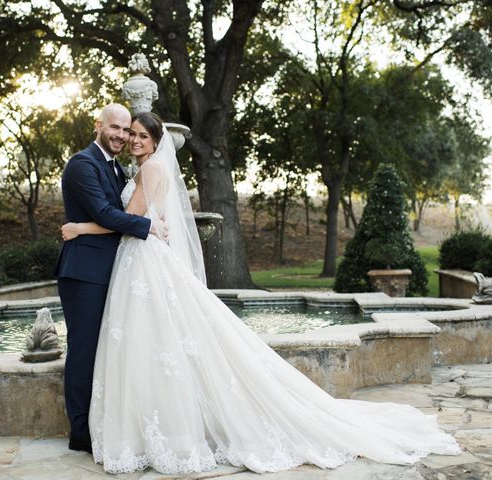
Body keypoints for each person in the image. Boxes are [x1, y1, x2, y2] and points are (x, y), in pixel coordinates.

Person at [60, 112, 460, 474]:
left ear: (155, 139)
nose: (132, 139)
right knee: (147, 340)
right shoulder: (120, 167)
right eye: (127, 132)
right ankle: (133, 424)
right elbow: (128, 217)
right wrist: (121, 225)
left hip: (141, 260)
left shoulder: (149, 172)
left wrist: (81, 228)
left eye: (140, 134)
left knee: (150, 340)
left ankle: (149, 428)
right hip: (135, 261)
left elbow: (123, 218)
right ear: (102, 126)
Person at [54, 104, 164, 454]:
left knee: (111, 348)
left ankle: (105, 422)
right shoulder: (82, 164)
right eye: (115, 128)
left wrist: (85, 227)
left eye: (126, 130)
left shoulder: (116, 168)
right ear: (98, 126)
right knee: (84, 350)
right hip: (85, 273)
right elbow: (106, 213)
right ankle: (80, 432)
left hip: (114, 271)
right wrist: (149, 226)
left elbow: (118, 213)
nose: (122, 135)